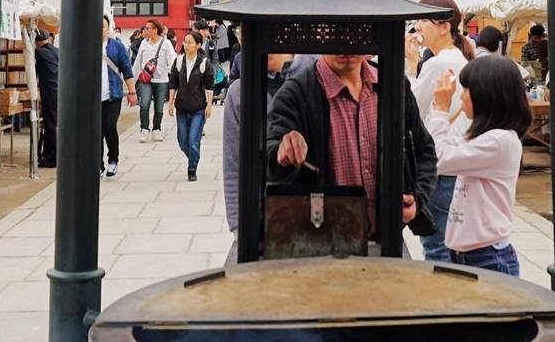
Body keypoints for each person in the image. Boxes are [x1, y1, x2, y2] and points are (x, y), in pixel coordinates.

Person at [268, 51, 438, 250]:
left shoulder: (393, 84)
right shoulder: (297, 93)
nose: (345, 44)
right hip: (323, 245)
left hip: (386, 244)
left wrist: (417, 199)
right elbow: (270, 157)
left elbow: (424, 151)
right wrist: (284, 152)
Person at [426, 56, 530, 275]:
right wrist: (437, 109)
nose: (462, 96)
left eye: (467, 90)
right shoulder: (484, 138)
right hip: (467, 254)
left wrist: (441, 110)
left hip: (486, 257)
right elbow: (432, 147)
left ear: (487, 95)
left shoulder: (499, 141)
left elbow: (438, 158)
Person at [409, 0, 475, 263]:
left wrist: (411, 64)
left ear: (444, 26)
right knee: (453, 244)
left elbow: (412, 106)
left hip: (439, 164)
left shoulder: (438, 63)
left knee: (436, 247)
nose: (417, 27)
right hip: (456, 160)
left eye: (422, 20)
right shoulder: (459, 57)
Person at [222, 51, 298, 235]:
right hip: (259, 212)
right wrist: (237, 224)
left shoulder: (311, 81)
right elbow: (233, 165)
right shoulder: (240, 92)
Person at [169, 29, 217, 181]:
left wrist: (209, 105)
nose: (186, 45)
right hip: (181, 107)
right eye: (185, 42)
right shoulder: (178, 61)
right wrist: (170, 103)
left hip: (198, 108)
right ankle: (193, 157)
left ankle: (192, 168)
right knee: (182, 140)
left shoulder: (204, 63)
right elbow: (173, 84)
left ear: (198, 45)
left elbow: (210, 86)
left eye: (190, 42)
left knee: (193, 140)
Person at [130, 22, 175, 142]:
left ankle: (156, 129)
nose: (145, 30)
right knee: (144, 104)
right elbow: (138, 62)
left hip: (161, 80)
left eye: (148, 28)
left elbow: (172, 61)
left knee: (159, 106)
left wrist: (174, 77)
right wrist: (131, 81)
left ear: (155, 30)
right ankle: (144, 129)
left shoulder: (166, 43)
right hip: (146, 80)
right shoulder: (144, 43)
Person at [101, 18, 132, 178]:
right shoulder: (86, 45)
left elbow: (127, 70)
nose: (100, 29)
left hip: (113, 95)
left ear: (109, 28)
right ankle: (97, 164)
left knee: (109, 126)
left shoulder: (117, 46)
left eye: (103, 26)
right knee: (95, 131)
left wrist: (132, 93)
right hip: (92, 98)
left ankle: (113, 160)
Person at [33, 29, 59, 169]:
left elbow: (34, 73)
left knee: (50, 126)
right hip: (61, 92)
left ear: (37, 43)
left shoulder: (39, 53)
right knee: (56, 125)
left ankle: (51, 158)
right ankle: (54, 154)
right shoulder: (57, 51)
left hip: (49, 93)